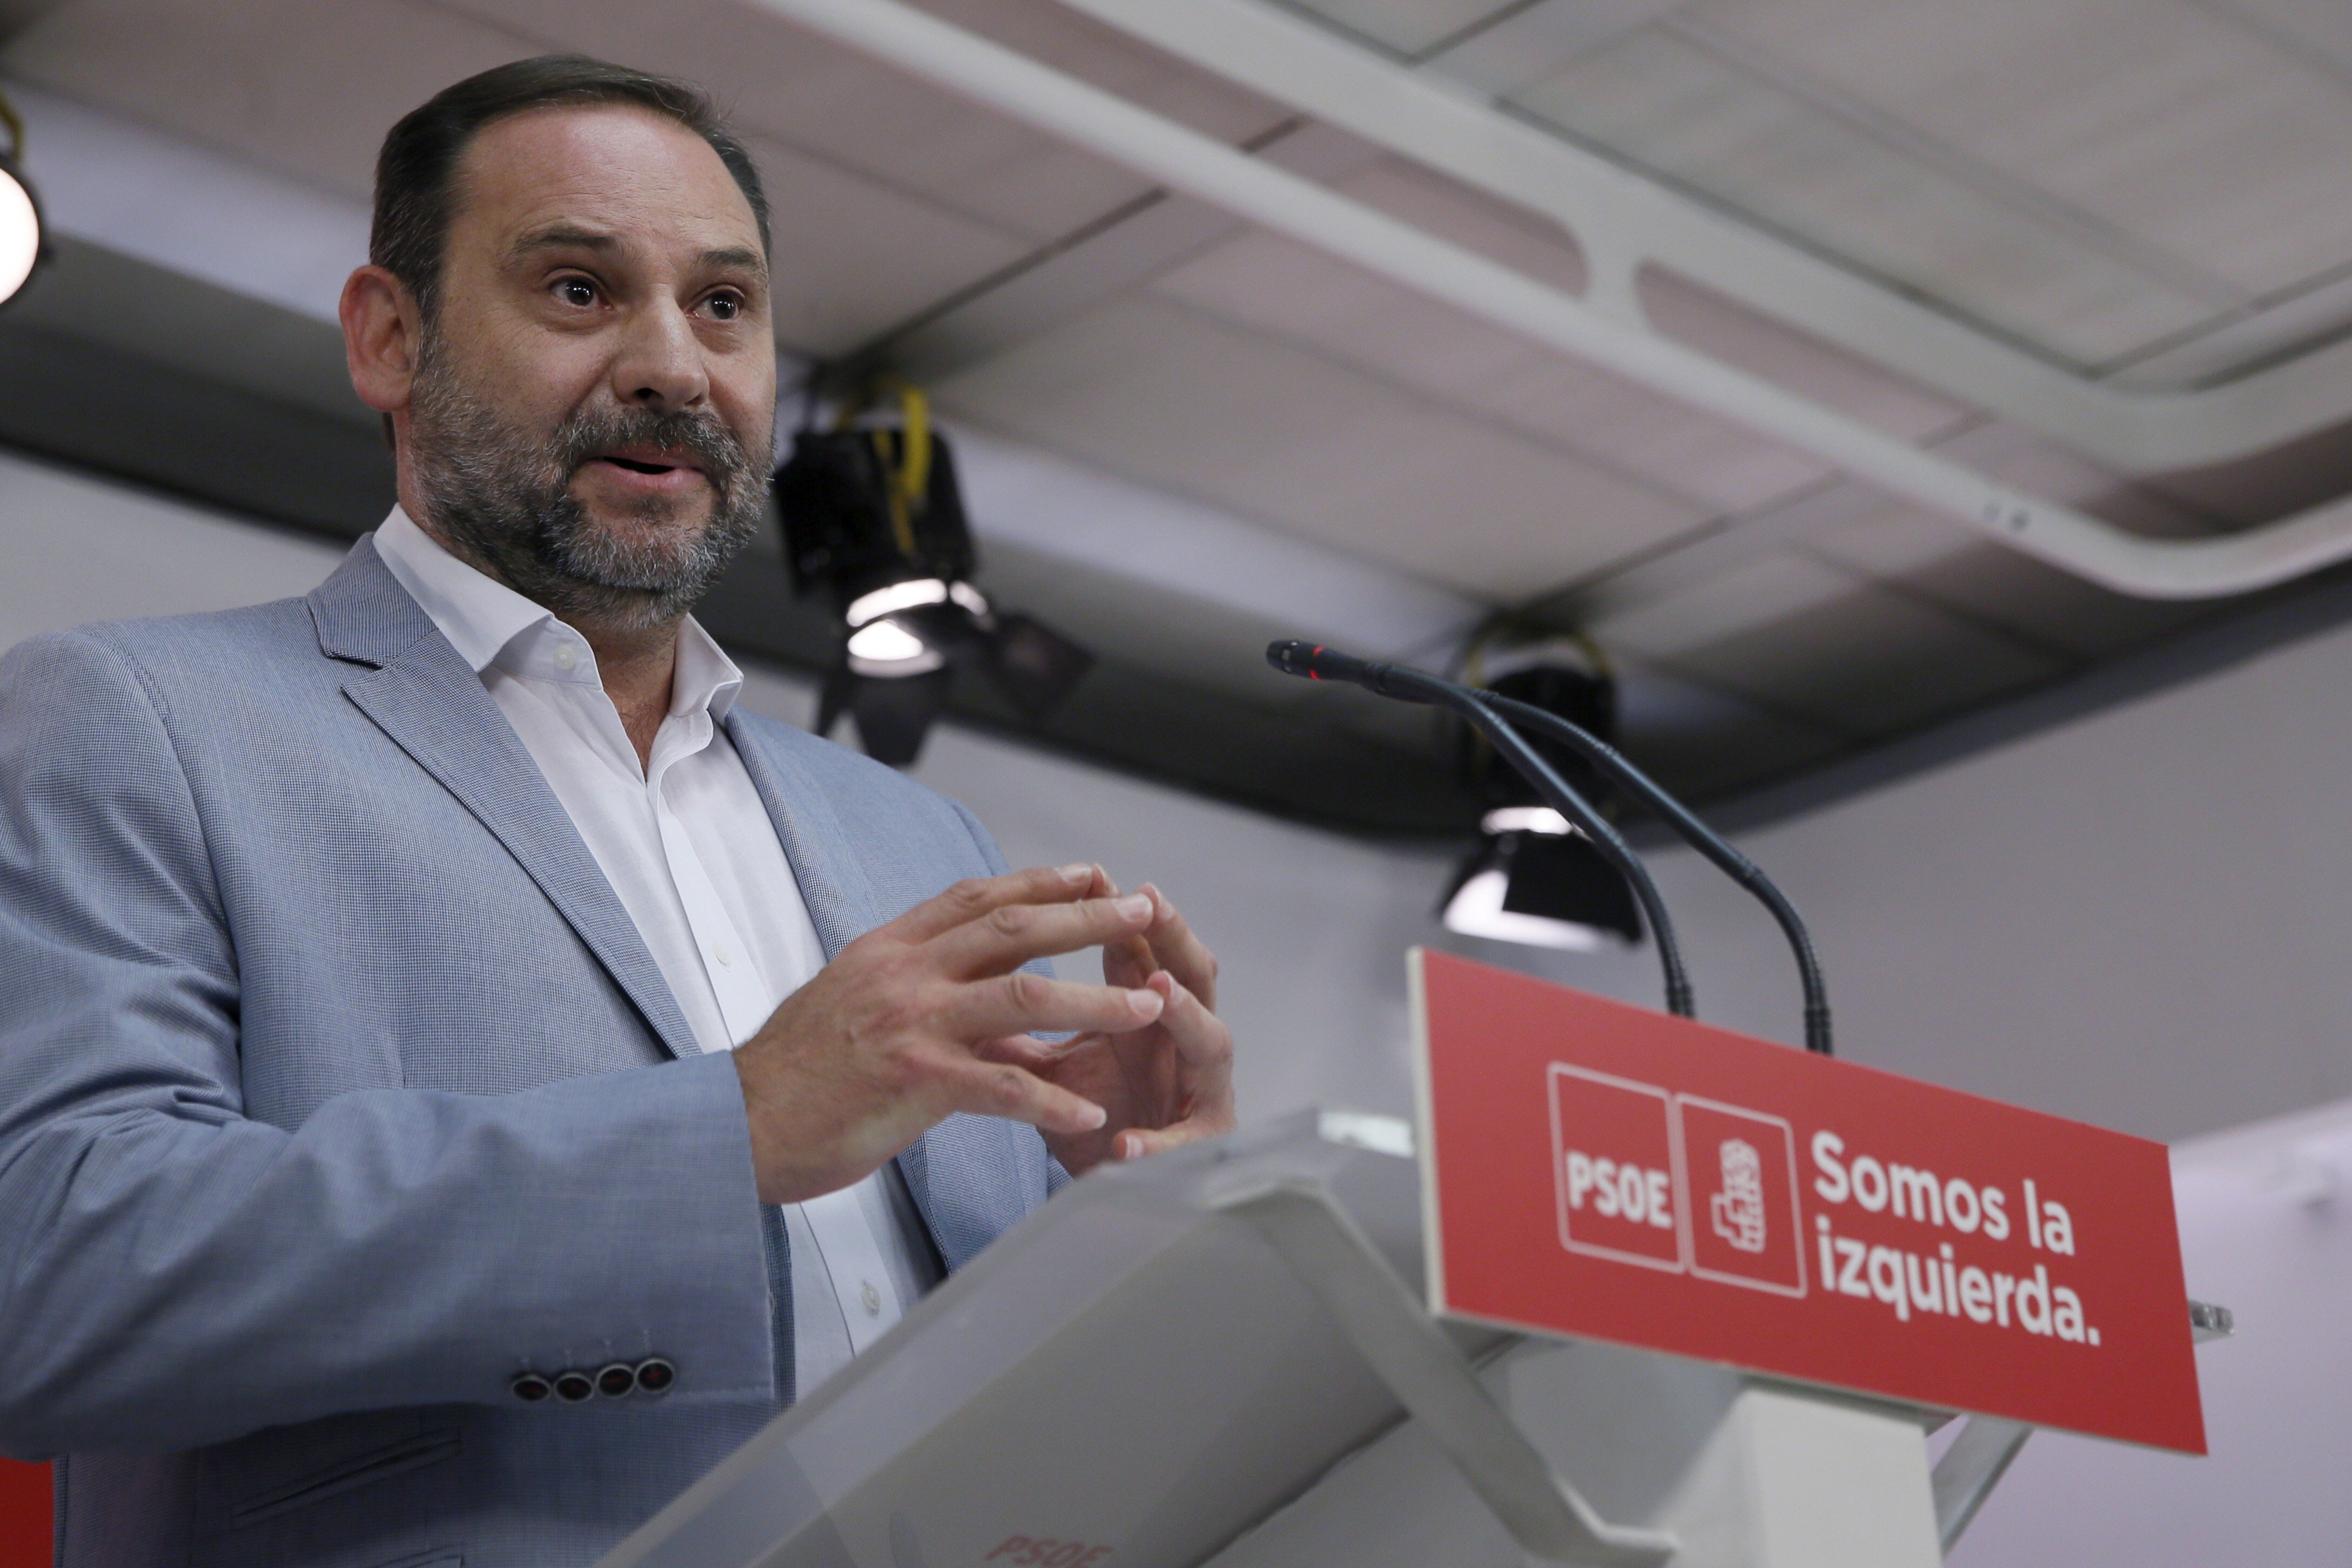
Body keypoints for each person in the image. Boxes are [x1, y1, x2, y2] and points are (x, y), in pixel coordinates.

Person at [0, 56, 1235, 1568]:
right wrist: (732, 1128)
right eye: (579, 289)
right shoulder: (137, 722)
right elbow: (49, 1277)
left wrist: (1131, 1237)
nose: (672, 365)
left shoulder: (917, 843)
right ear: (389, 339)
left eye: (722, 306)